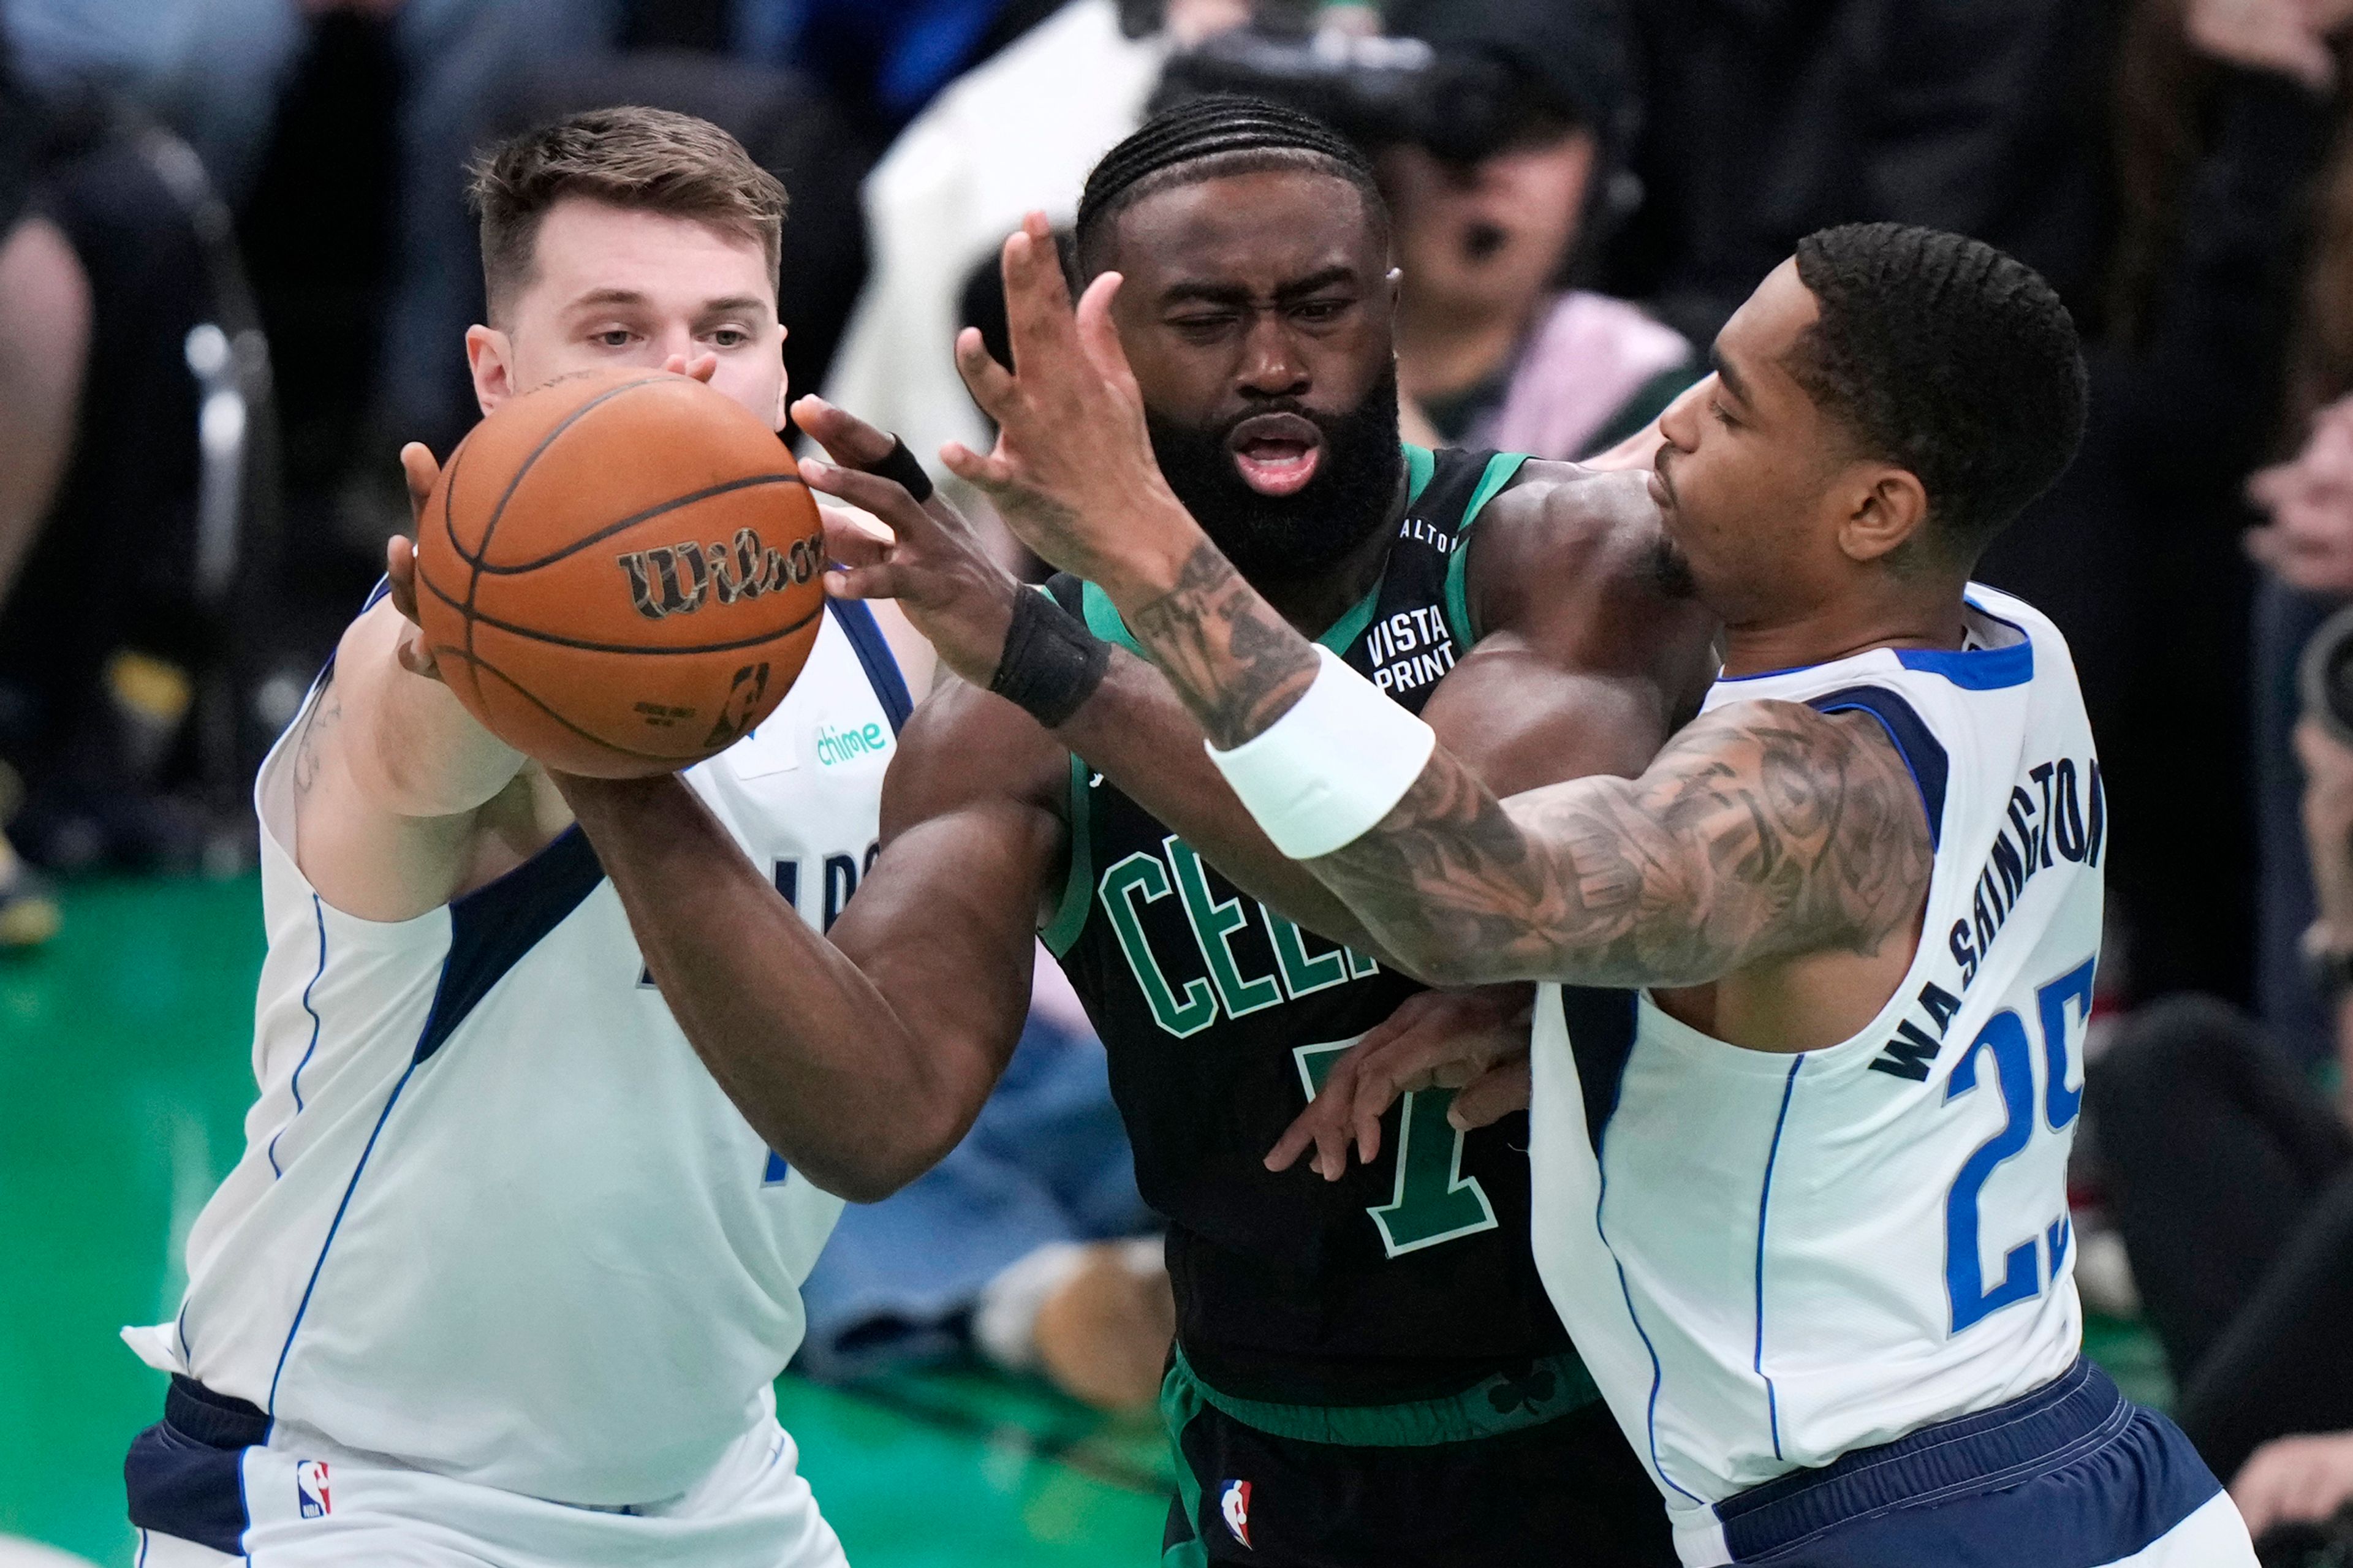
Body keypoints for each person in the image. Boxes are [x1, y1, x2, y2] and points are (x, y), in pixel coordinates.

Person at [952, 214, 2259, 1565]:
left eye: (1735, 411)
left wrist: (1132, 572)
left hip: (1885, 1514)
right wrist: (1597, 1015)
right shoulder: (2015, 647)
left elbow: (1457, 892)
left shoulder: (1804, 780)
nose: (1675, 426)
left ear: (1876, 509)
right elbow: (1858, 989)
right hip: (2112, 1472)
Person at [541, 96, 1718, 1564]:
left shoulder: (1550, 558)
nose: (1275, 361)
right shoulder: (1000, 720)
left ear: (1390, 310)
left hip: (1631, 1426)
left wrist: (1062, 660)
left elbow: (1453, 891)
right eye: (1206, 317)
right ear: (1103, 357)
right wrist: (618, 783)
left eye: (1321, 305)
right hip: (1275, 1453)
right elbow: (878, 1115)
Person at [116, 107, 920, 1567]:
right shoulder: (418, 659)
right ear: (497, 375)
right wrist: (468, 657)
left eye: (727, 330)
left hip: (721, 1481)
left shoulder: (888, 644)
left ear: (786, 362)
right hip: (363, 1495)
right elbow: (417, 743)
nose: (684, 370)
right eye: (615, 331)